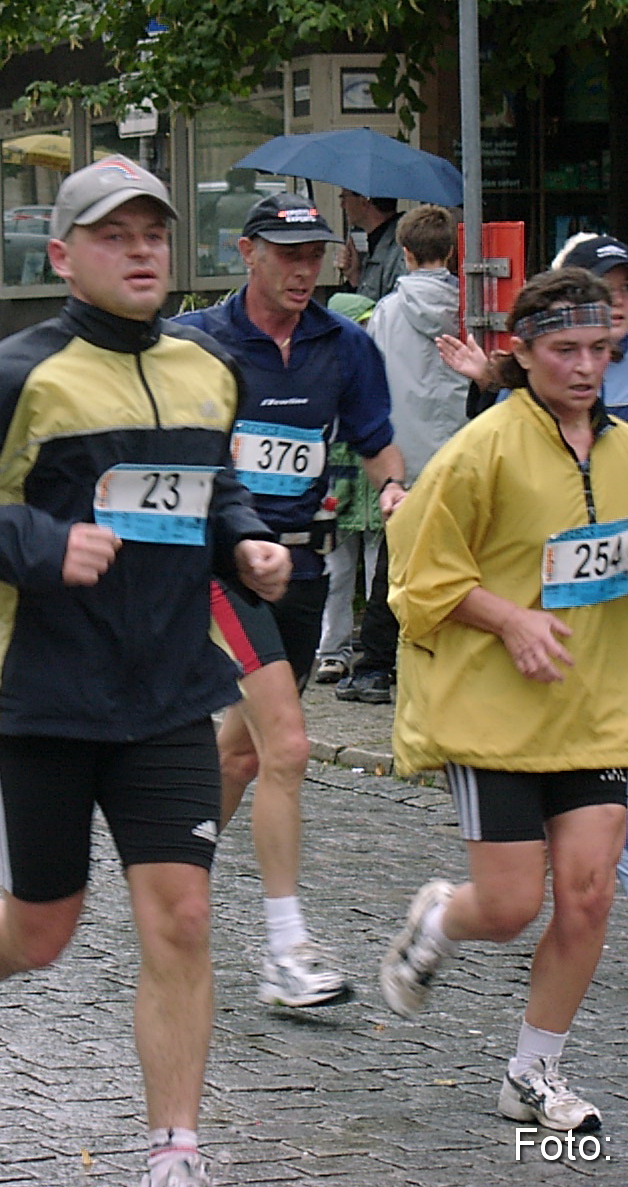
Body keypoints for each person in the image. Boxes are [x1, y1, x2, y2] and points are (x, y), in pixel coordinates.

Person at [0, 154, 289, 1187]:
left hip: (168, 693)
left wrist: (243, 543)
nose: (143, 250)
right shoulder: (10, 376)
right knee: (45, 928)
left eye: (155, 232)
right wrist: (39, 545)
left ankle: (174, 1151)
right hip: (42, 694)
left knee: (184, 916)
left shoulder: (207, 368)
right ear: (64, 256)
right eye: (116, 235)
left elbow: (212, 489)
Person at [378, 267, 628, 1133]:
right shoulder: (479, 451)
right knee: (511, 904)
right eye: (564, 349)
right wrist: (508, 620)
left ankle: (534, 1073)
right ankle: (441, 918)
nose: (586, 367)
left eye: (600, 350)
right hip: (491, 716)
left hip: (592, 711)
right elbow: (414, 577)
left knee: (593, 894)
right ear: (519, 355)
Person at [439, 232, 628, 970]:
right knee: (520, 888)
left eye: (624, 292)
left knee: (594, 778)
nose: (607, 317)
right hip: (517, 637)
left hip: (610, 616)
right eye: (594, 290)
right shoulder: (513, 408)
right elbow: (469, 517)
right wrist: (495, 382)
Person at [174, 194, 407, 1008]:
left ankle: (168, 880)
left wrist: (398, 495)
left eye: (315, 255)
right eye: (286, 253)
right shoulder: (197, 340)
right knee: (288, 746)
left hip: (302, 574)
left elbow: (376, 441)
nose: (304, 269)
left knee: (240, 753)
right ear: (247, 252)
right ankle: (285, 949)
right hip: (222, 569)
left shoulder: (344, 346)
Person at [335, 204, 469, 706]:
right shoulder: (468, 304)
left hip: (404, 456)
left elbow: (373, 374)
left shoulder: (387, 311)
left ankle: (376, 663)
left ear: (405, 253)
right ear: (453, 250)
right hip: (459, 451)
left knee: (395, 563)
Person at [309, 292, 382, 686]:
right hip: (339, 491)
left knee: (377, 573)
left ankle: (374, 649)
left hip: (373, 493)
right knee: (336, 574)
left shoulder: (375, 370)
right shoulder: (324, 376)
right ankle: (331, 652)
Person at [334, 189, 406, 301]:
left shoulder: (401, 250)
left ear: (364, 200)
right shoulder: (378, 244)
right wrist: (355, 277)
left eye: (344, 197)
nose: (342, 205)